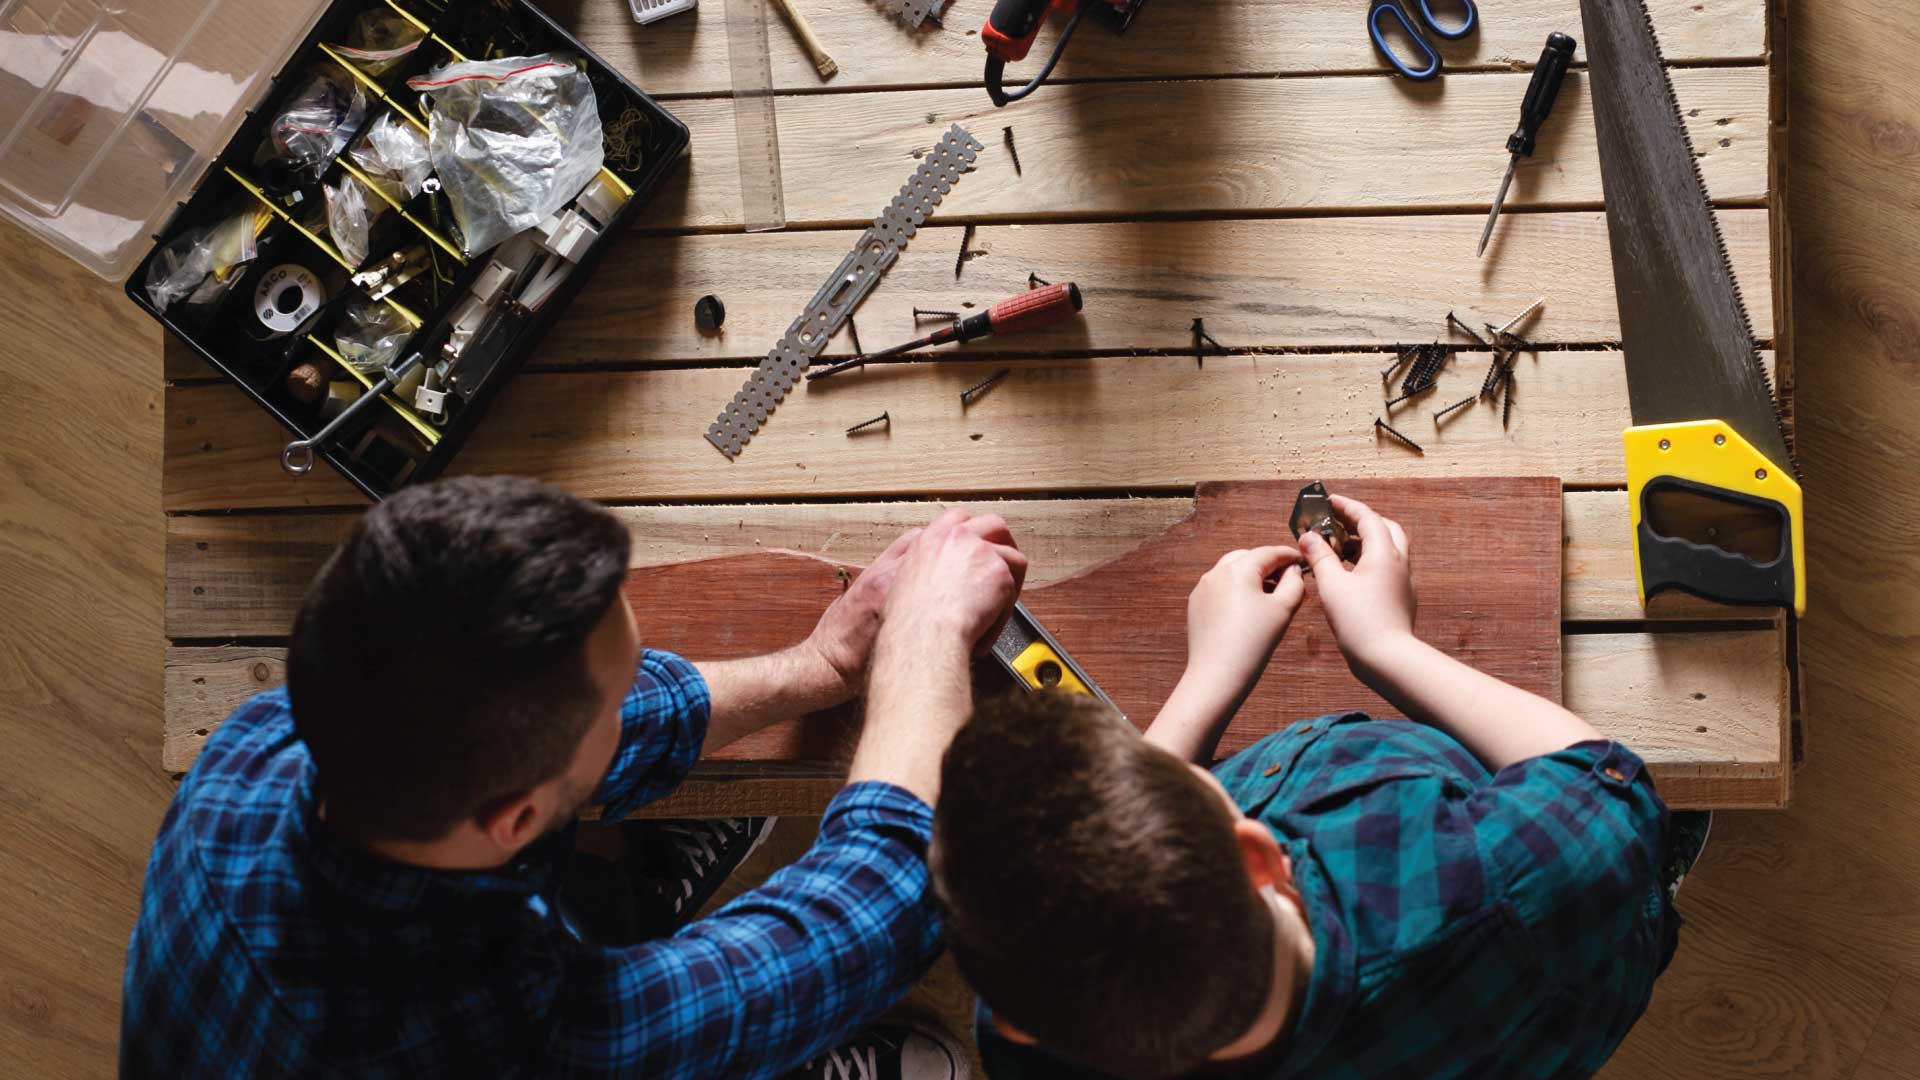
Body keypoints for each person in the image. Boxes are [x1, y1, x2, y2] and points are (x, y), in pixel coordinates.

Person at [122, 476, 1027, 1078]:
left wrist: (821, 666)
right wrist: (926, 634)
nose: (641, 692)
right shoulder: (503, 1041)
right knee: (760, 1023)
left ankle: (629, 902)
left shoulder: (259, 747)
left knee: (594, 891)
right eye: (624, 687)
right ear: (513, 821)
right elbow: (883, 904)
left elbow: (590, 722)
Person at [932, 493, 1684, 1080]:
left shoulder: (1034, 1047)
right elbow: (1608, 784)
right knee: (1626, 883)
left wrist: (1207, 682)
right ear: (1261, 860)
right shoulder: (1495, 881)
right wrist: (1385, 647)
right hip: (1559, 946)